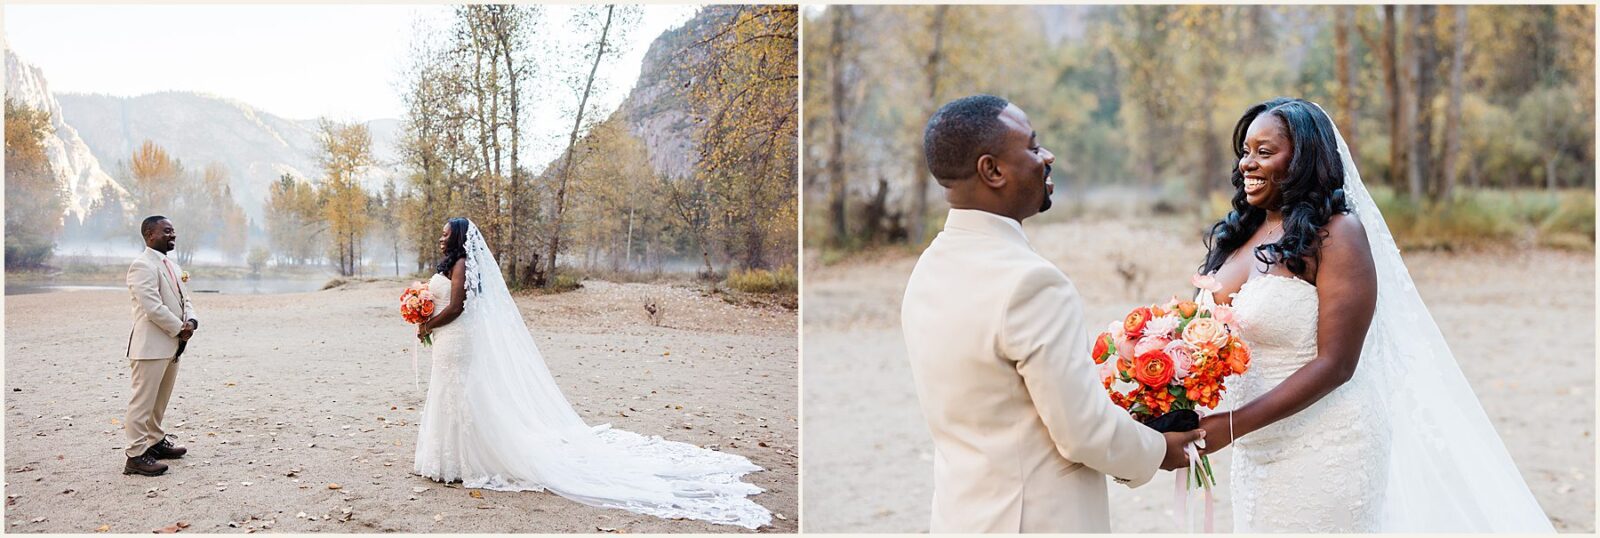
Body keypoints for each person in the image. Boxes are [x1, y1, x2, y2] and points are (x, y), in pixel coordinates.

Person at [1194, 97, 1553, 532]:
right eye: (1246, 152)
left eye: (1265, 152)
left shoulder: (1337, 235)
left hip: (1326, 442)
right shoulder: (1239, 237)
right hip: (1256, 448)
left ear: (1305, 159)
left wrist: (1231, 426)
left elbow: (1337, 364)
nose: (1247, 165)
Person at [901, 95, 1204, 532]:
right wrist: (1160, 450)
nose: (1048, 157)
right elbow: (1082, 431)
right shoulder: (1031, 283)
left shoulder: (928, 269)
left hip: (962, 517)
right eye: (1033, 145)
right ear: (993, 170)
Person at [411, 217, 771, 529]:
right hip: (447, 338)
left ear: (458, 238)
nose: (442, 237)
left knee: (456, 392)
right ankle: (450, 458)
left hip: (455, 338)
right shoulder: (450, 264)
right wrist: (423, 311)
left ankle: (462, 460)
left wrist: (428, 324)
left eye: (446, 233)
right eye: (442, 233)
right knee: (449, 391)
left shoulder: (461, 266)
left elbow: (457, 305)